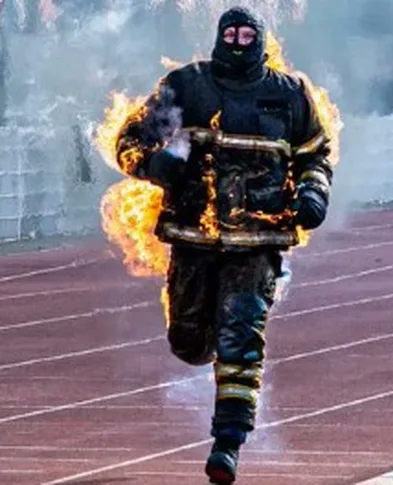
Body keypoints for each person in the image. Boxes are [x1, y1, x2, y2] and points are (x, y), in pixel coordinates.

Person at [113, 7, 334, 483]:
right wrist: (155, 166)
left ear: (261, 39)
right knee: (188, 342)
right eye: (230, 32)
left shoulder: (290, 95)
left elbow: (315, 156)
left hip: (258, 241)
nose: (237, 41)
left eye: (246, 33)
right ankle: (206, 341)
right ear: (218, 36)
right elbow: (129, 140)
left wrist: (313, 194)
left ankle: (227, 443)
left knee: (241, 339)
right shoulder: (186, 86)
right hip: (193, 238)